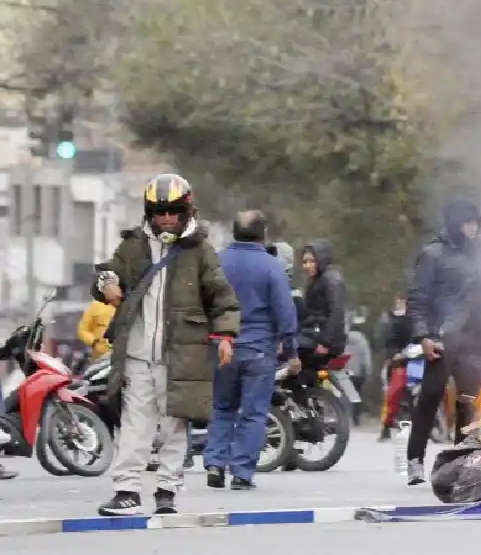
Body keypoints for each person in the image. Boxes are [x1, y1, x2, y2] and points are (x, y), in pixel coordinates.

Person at [93, 173, 240, 516]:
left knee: (176, 422)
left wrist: (226, 336)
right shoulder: (133, 246)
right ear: (149, 212)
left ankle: (167, 490)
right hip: (136, 353)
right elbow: (107, 273)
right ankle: (127, 489)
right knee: (134, 423)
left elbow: (222, 298)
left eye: (173, 211)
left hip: (183, 354)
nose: (166, 219)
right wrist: (107, 283)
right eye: (159, 212)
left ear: (186, 210)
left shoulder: (201, 251)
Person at [406, 200, 481, 484]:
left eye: (476, 223)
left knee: (471, 401)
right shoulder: (433, 254)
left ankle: (460, 463)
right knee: (430, 397)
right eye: (468, 223)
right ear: (455, 224)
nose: (474, 228)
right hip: (442, 339)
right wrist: (424, 336)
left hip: (476, 338)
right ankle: (415, 460)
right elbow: (418, 299)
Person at [204, 210, 298, 490]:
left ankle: (215, 464)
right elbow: (285, 311)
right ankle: (242, 473)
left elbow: (204, 303)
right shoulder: (271, 266)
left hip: (222, 346)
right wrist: (291, 350)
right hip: (258, 349)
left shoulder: (217, 262)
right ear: (263, 233)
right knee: (254, 412)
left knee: (222, 407)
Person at [299, 239, 347, 360]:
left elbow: (336, 313)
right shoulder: (316, 280)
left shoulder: (331, 279)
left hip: (325, 339)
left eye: (312, 261)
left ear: (321, 259)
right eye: (305, 262)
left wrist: (325, 342)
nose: (307, 266)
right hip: (315, 334)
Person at [379, 294, 413, 440]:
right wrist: (394, 355)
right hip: (398, 362)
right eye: (399, 301)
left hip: (416, 360)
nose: (400, 304)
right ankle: (386, 425)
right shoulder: (389, 320)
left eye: (403, 302)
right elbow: (388, 341)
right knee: (394, 394)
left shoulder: (415, 319)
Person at [345, 315, 372, 426]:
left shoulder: (344, 340)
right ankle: (356, 419)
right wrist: (368, 372)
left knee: (345, 394)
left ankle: (345, 418)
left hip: (345, 371)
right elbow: (366, 359)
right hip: (359, 373)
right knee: (356, 395)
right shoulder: (363, 341)